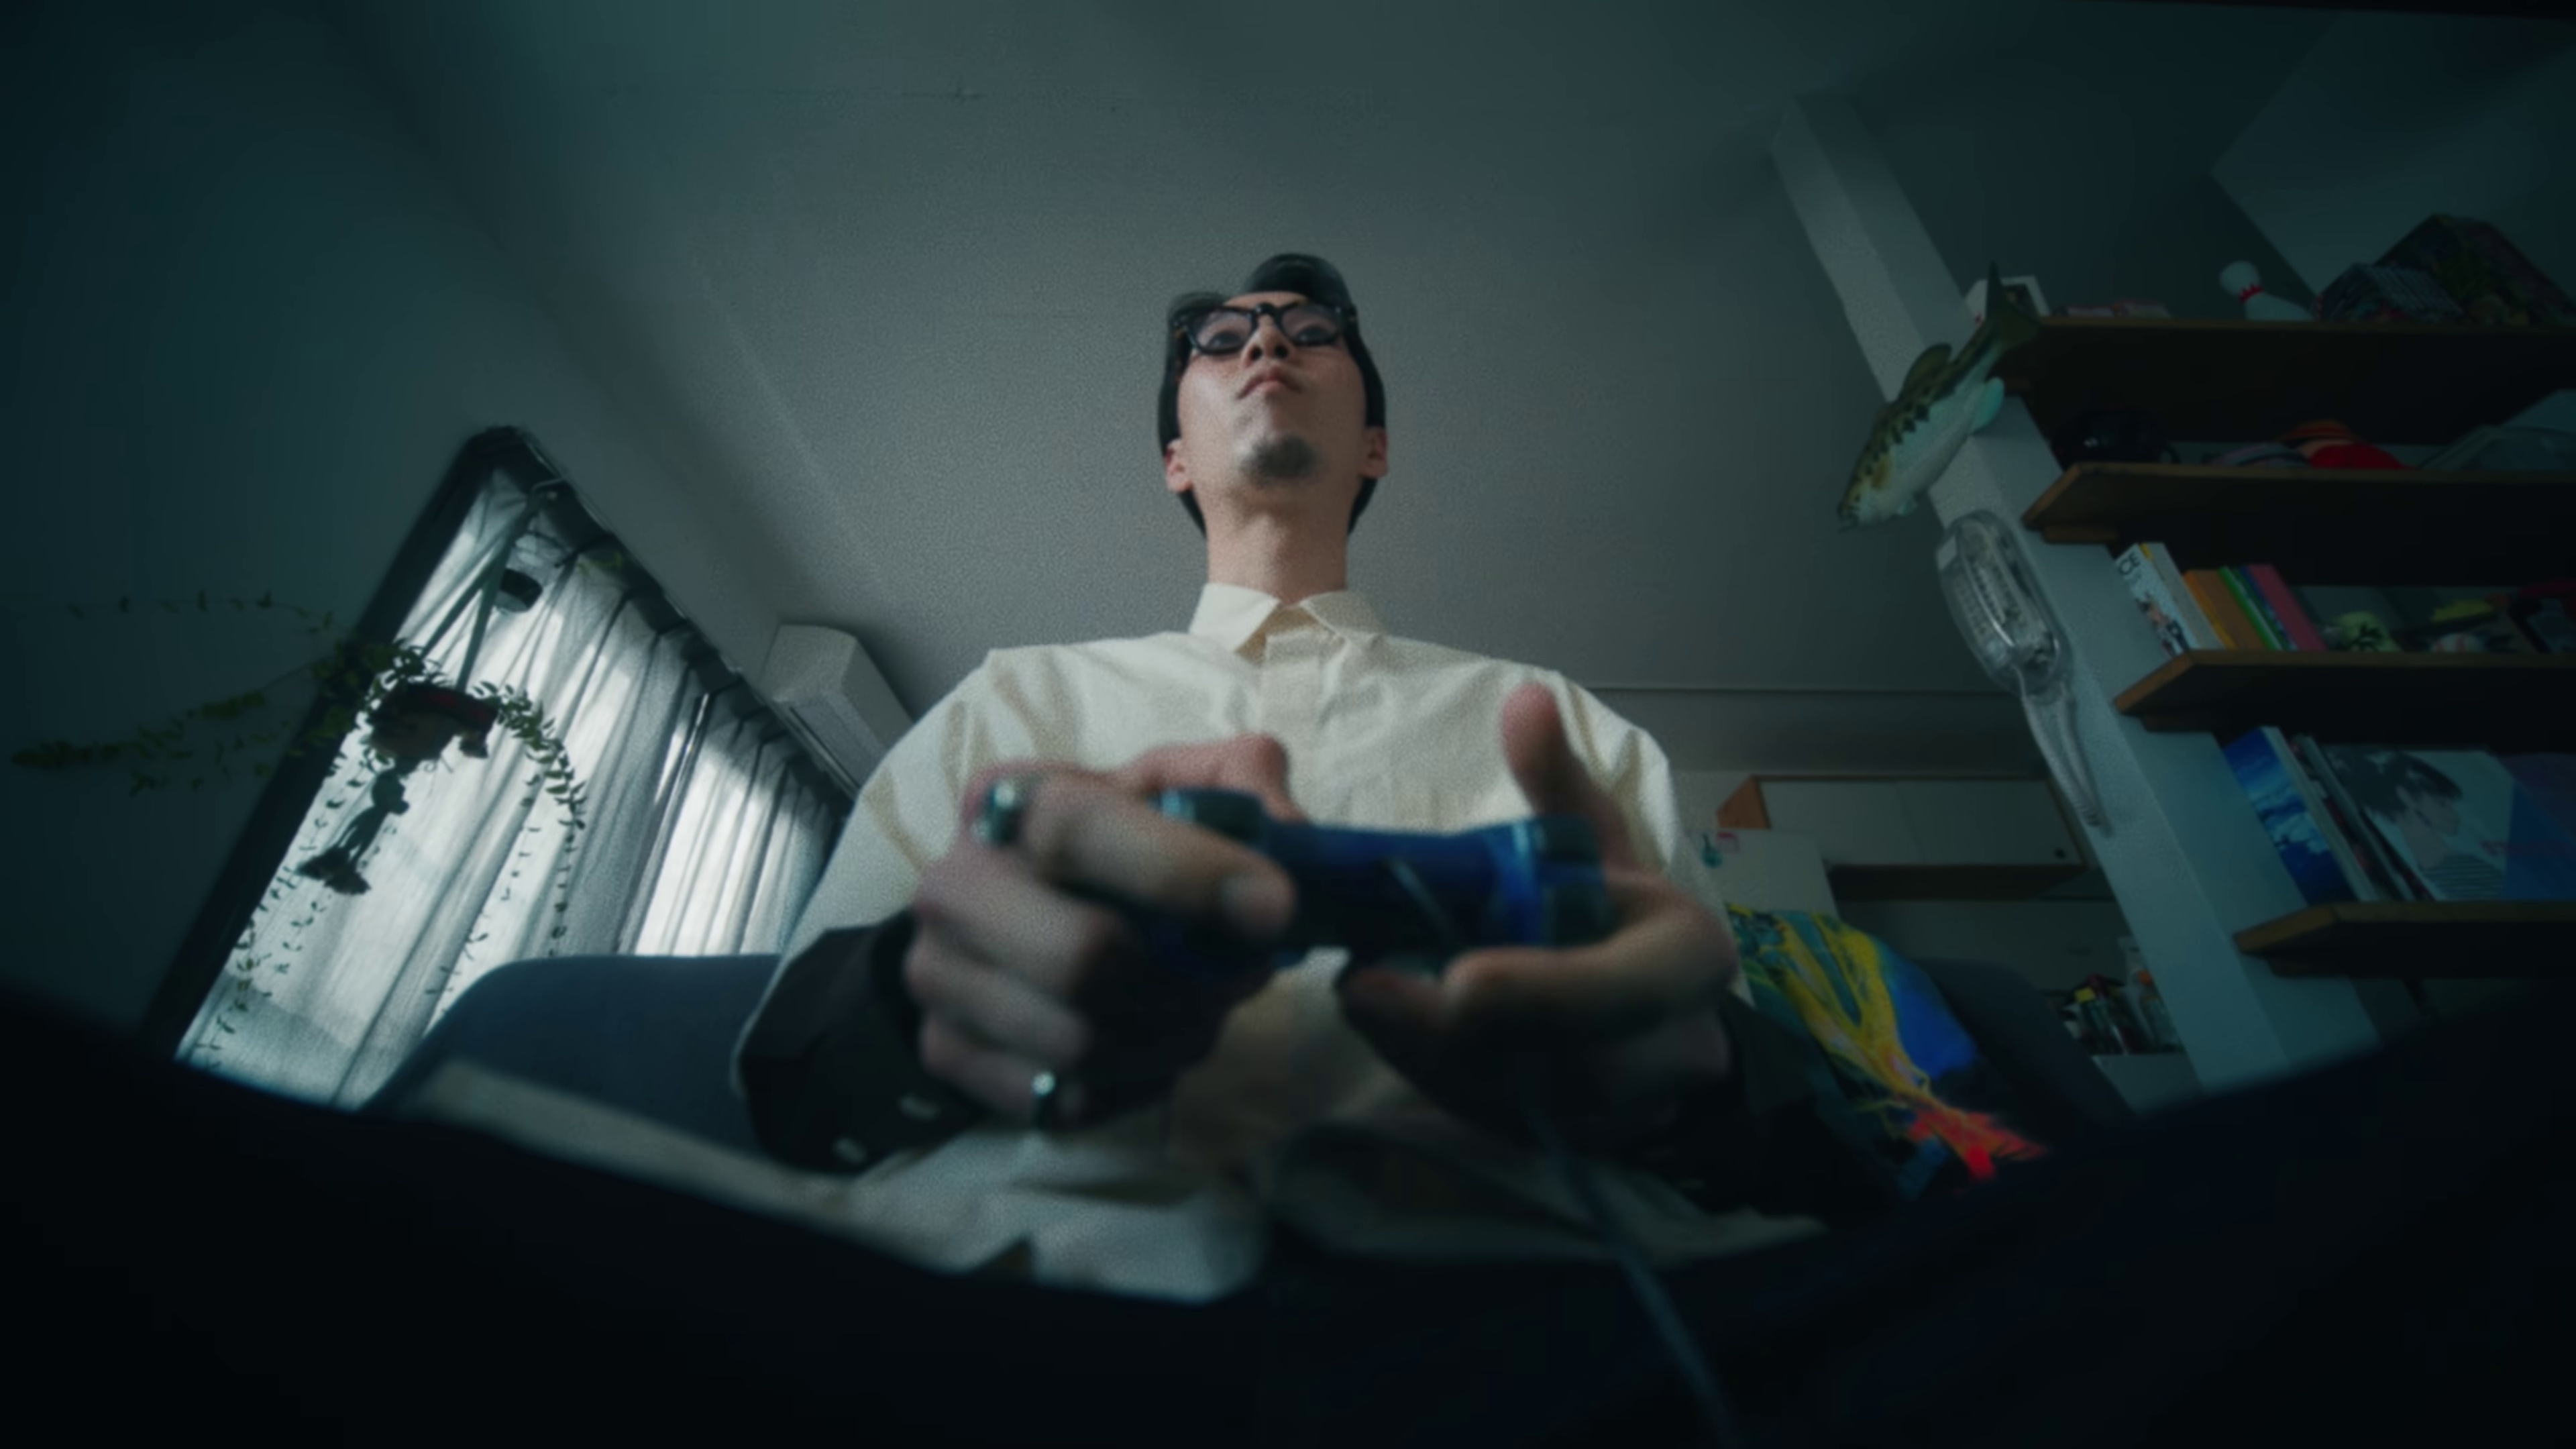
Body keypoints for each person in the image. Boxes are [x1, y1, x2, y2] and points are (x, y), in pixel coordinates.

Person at [714, 253, 1841, 1301]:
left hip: (1541, 1308)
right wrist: (914, 994)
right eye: (1220, 339)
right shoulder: (1011, 701)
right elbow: (785, 1082)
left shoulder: (1572, 729)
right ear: (1175, 459)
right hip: (1019, 1303)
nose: (1265, 345)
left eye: (1312, 332)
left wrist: (1690, 1080)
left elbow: (1769, 1138)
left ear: (1375, 449)